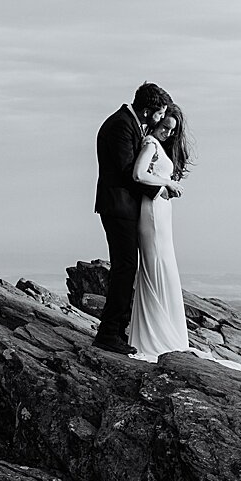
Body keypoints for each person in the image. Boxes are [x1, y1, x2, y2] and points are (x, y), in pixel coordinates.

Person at [126, 103, 241, 371]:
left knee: (163, 268)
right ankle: (155, 337)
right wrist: (167, 183)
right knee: (158, 267)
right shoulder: (150, 145)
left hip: (160, 211)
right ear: (155, 123)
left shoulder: (159, 146)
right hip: (153, 212)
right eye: (165, 126)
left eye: (172, 129)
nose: (168, 133)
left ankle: (161, 331)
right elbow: (138, 174)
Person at [92, 83, 173, 354]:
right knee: (124, 268)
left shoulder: (128, 123)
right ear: (148, 111)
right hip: (118, 207)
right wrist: (160, 187)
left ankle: (117, 330)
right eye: (160, 114)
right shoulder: (120, 125)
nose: (162, 119)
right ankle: (108, 333)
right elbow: (129, 172)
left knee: (126, 268)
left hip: (123, 207)